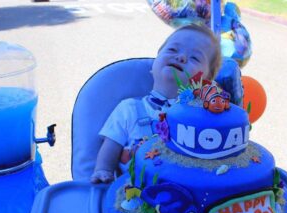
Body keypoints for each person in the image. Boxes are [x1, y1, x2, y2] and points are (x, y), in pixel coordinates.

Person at [91, 24, 222, 184]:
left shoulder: (202, 115)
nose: (181, 57)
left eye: (195, 58)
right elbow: (111, 144)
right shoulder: (129, 109)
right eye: (172, 50)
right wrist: (103, 170)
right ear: (154, 64)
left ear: (205, 82)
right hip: (131, 191)